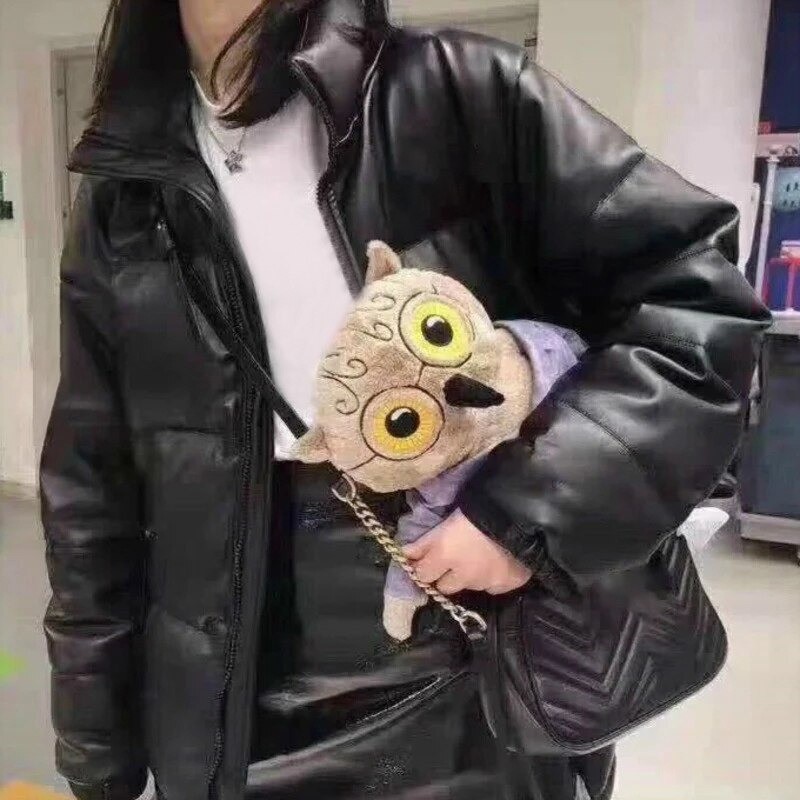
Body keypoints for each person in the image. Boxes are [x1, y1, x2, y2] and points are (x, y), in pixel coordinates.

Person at [39, 1, 768, 799]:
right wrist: (94, 745)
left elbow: (698, 309)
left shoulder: (455, 92)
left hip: (455, 649)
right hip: (219, 689)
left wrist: (525, 511)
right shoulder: (125, 186)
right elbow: (91, 485)